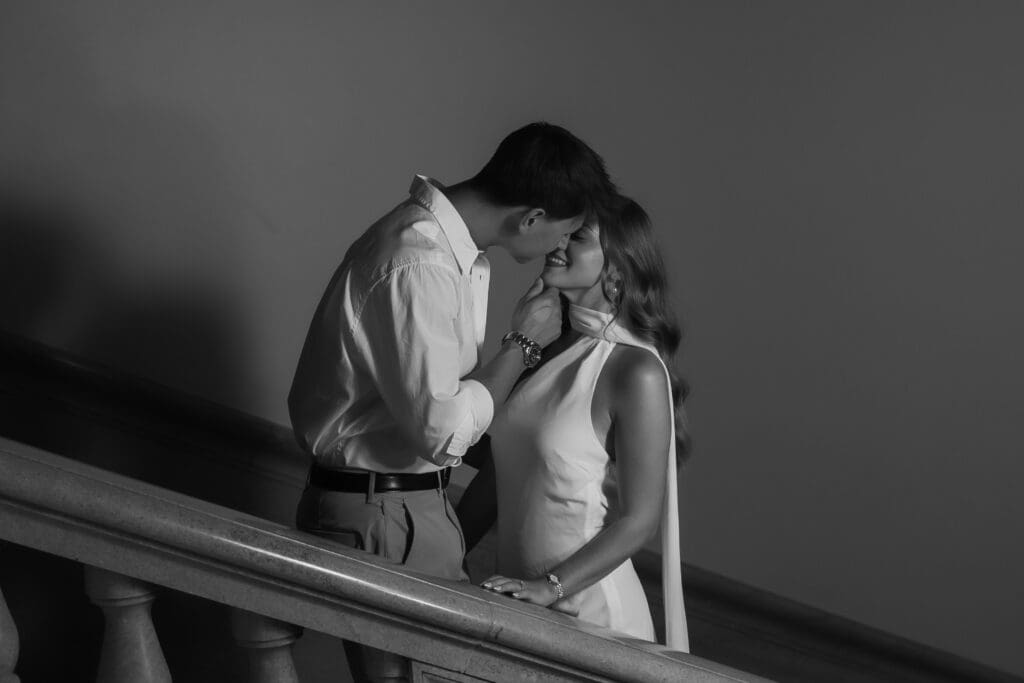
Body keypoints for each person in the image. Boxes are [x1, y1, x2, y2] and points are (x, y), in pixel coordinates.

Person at [287, 122, 616, 682]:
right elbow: (440, 432)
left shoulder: (441, 252)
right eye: (563, 232)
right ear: (531, 218)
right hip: (385, 513)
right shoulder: (422, 263)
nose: (559, 247)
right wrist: (522, 344)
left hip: (400, 508)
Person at [457, 196, 691, 651]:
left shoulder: (637, 371)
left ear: (617, 270)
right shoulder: (549, 348)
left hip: (591, 615)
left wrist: (551, 587)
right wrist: (452, 551)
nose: (557, 243)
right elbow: (502, 470)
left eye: (577, 237)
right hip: (521, 604)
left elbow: (640, 520)